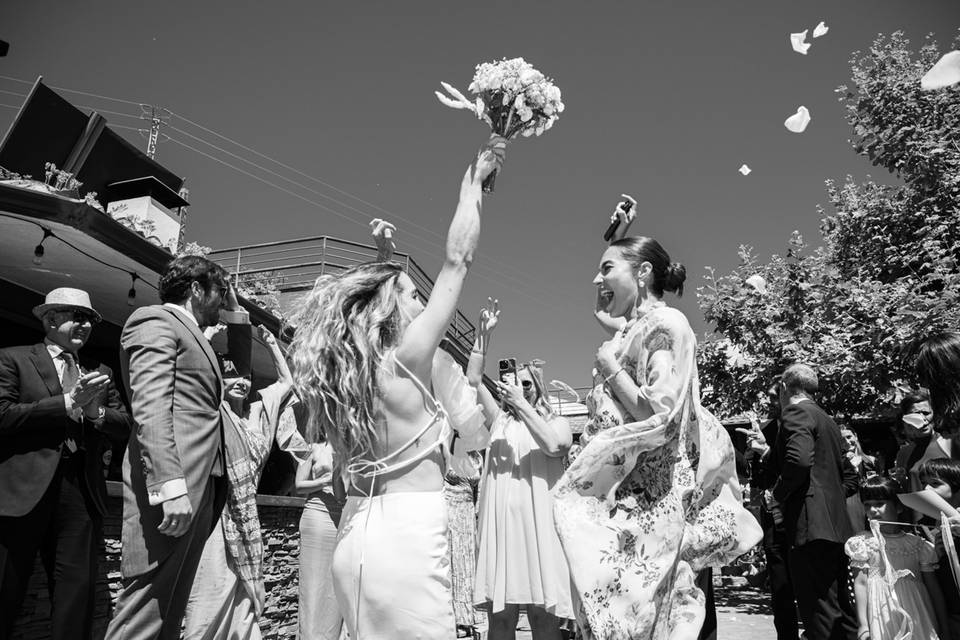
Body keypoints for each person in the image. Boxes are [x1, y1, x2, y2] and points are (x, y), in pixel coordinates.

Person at [290, 135, 504, 640]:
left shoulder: (347, 378)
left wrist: (383, 257)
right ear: (393, 309)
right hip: (410, 538)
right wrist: (472, 189)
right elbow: (458, 261)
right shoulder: (410, 361)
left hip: (356, 532)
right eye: (409, 295)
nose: (420, 301)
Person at [552, 233, 762, 639]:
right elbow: (612, 318)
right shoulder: (636, 328)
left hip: (654, 504)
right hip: (630, 504)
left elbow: (659, 414)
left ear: (644, 272)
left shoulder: (667, 323)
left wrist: (609, 368)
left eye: (607, 268)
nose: (597, 279)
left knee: (649, 622)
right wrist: (615, 243)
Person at [106, 256, 244, 640]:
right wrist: (170, 487)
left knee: (170, 610)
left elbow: (241, 368)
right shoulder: (154, 321)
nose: (223, 300)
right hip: (173, 489)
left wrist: (235, 312)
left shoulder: (197, 334)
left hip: (201, 489)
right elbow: (150, 408)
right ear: (197, 289)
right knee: (143, 611)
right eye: (220, 292)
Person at [0, 287, 132, 639]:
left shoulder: (99, 371)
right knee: (4, 588)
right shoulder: (12, 359)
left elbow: (124, 427)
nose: (85, 324)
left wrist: (95, 411)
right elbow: (3, 416)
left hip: (80, 492)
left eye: (89, 319)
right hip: (20, 492)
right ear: (51, 318)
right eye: (77, 316)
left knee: (77, 593)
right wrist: (66, 402)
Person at [183, 324, 306, 639]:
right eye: (231, 375)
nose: (240, 381)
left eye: (245, 376)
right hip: (215, 514)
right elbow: (189, 379)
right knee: (210, 590)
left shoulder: (259, 414)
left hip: (247, 517)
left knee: (245, 598)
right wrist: (204, 338)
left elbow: (287, 382)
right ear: (219, 381)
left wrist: (271, 344)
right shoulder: (213, 412)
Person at [467, 300, 574, 640]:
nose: (520, 388)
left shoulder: (557, 421)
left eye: (528, 384)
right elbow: (472, 379)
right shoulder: (498, 420)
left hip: (539, 528)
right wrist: (482, 338)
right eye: (517, 383)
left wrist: (524, 405)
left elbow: (554, 447)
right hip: (502, 530)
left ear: (538, 388)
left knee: (543, 619)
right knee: (500, 620)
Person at [768, 363, 860, 640]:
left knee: (819, 611)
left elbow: (798, 460)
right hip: (834, 526)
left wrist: (778, 494)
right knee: (840, 608)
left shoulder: (796, 412)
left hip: (809, 527)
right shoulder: (827, 420)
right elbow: (849, 475)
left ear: (785, 387)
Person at [845, 476, 948, 640]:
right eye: (867, 505)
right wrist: (863, 624)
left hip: (917, 611)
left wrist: (943, 625)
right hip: (880, 613)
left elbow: (933, 587)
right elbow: (861, 583)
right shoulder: (863, 543)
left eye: (879, 504)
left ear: (899, 507)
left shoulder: (917, 545)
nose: (872, 510)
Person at [737, 384, 801, 640]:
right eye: (770, 398)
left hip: (800, 518)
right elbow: (756, 476)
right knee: (781, 586)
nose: (771, 402)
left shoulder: (801, 425)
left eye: (776, 396)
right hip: (772, 518)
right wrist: (752, 456)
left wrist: (769, 453)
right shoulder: (763, 430)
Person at [296, 438, 345, 640]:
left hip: (340, 517)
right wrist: (324, 481)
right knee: (312, 587)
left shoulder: (346, 449)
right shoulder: (312, 448)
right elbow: (298, 486)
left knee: (334, 589)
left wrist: (337, 474)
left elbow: (342, 496)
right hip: (315, 515)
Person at [445, 452, 483, 638]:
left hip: (468, 513)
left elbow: (480, 485)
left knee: (466, 564)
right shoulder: (445, 447)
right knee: (451, 561)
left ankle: (466, 617)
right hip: (448, 508)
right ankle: (451, 617)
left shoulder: (476, 453)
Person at [892, 390, 934, 492]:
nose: (922, 419)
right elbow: (905, 490)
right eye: (915, 414)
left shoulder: (951, 443)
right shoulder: (904, 453)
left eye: (926, 413)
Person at [842, 426, 876, 533]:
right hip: (850, 504)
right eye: (842, 439)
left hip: (869, 501)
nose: (847, 442)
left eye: (849, 437)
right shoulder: (839, 463)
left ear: (855, 436)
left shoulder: (870, 460)